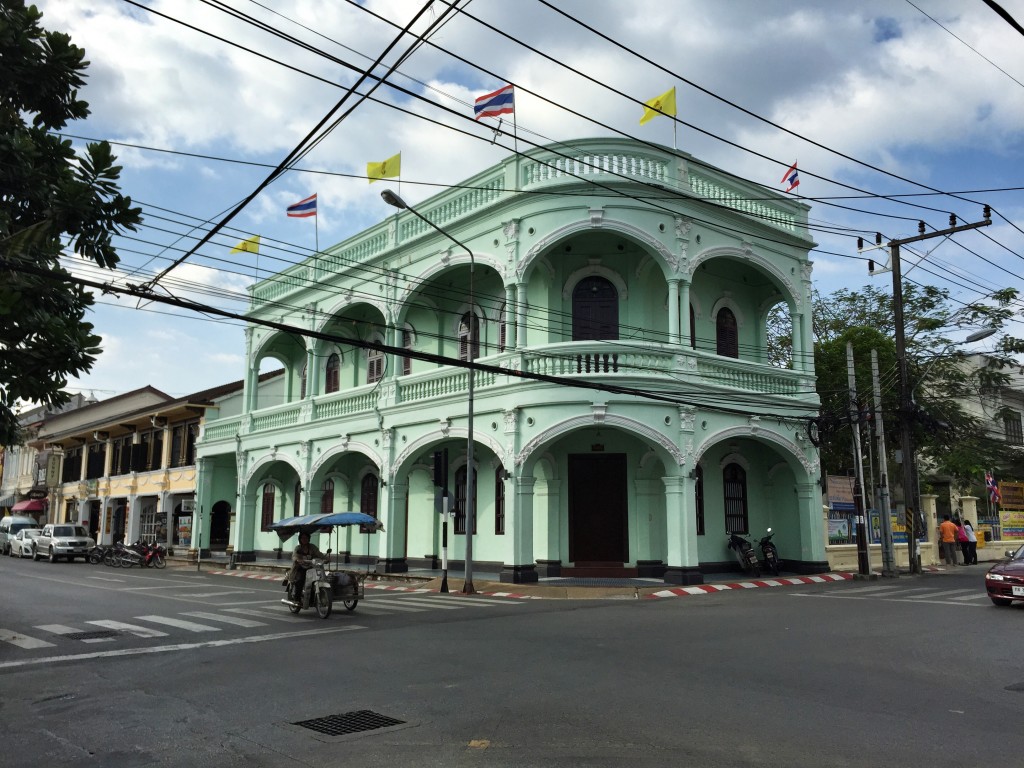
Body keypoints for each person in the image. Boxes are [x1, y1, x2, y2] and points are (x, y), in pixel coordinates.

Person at [286, 531, 324, 602]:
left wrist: (325, 558)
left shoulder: (312, 547)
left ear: (309, 539)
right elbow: (294, 555)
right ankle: (297, 599)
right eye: (302, 538)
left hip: (311, 567)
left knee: (316, 580)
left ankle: (311, 599)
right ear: (300, 539)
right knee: (300, 580)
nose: (304, 539)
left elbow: (319, 554)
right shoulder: (298, 548)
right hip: (299, 568)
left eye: (306, 538)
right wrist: (297, 559)